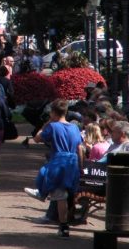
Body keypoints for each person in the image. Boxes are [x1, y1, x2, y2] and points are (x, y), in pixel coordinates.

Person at [23, 99, 83, 238]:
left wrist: (47, 123)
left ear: (54, 112)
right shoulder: (74, 128)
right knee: (67, 195)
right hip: (72, 161)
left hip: (59, 160)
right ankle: (43, 193)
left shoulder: (53, 126)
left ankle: (63, 227)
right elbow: (79, 148)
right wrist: (80, 166)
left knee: (60, 195)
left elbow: (37, 138)